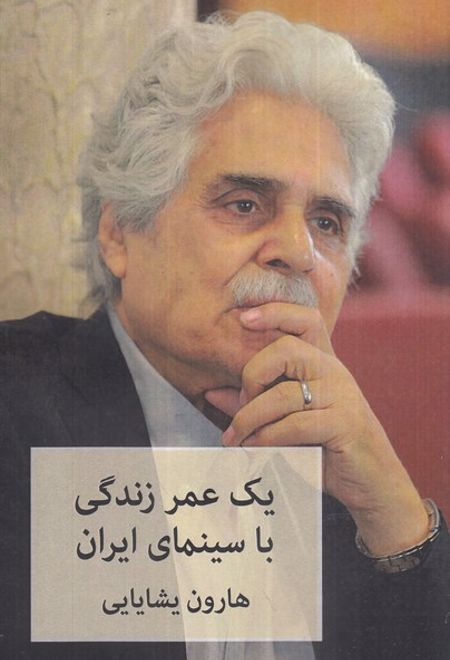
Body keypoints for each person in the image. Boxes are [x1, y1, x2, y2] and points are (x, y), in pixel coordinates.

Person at [1, 11, 449, 660]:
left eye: (327, 222)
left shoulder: (345, 466)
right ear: (120, 233)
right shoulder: (18, 408)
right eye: (245, 204)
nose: (297, 251)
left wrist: (395, 519)